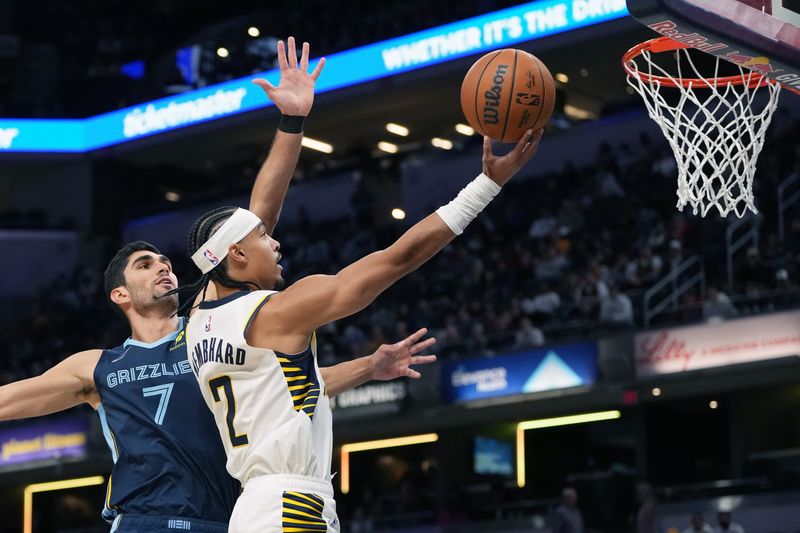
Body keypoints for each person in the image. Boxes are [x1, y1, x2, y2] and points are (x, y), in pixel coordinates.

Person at [0, 37, 435, 533]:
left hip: (226, 519)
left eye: (165, 260)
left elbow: (257, 229)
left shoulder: (209, 330)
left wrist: (367, 367)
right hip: (144, 521)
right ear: (119, 295)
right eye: (144, 265)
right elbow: (11, 400)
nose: (163, 268)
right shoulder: (99, 366)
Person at [180, 127, 543, 532]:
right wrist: (487, 185)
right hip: (290, 507)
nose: (276, 242)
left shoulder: (197, 323)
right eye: (264, 237)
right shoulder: (275, 312)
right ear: (237, 253)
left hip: (253, 507)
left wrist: (370, 367)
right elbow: (396, 259)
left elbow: (285, 386)